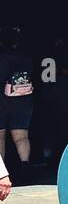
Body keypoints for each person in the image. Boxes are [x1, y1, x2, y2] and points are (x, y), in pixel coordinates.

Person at [0, 26, 36, 179]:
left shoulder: (3, 56)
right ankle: (25, 166)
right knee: (22, 136)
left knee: (0, 136)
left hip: (2, 100)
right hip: (24, 99)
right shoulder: (27, 56)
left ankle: (2, 172)